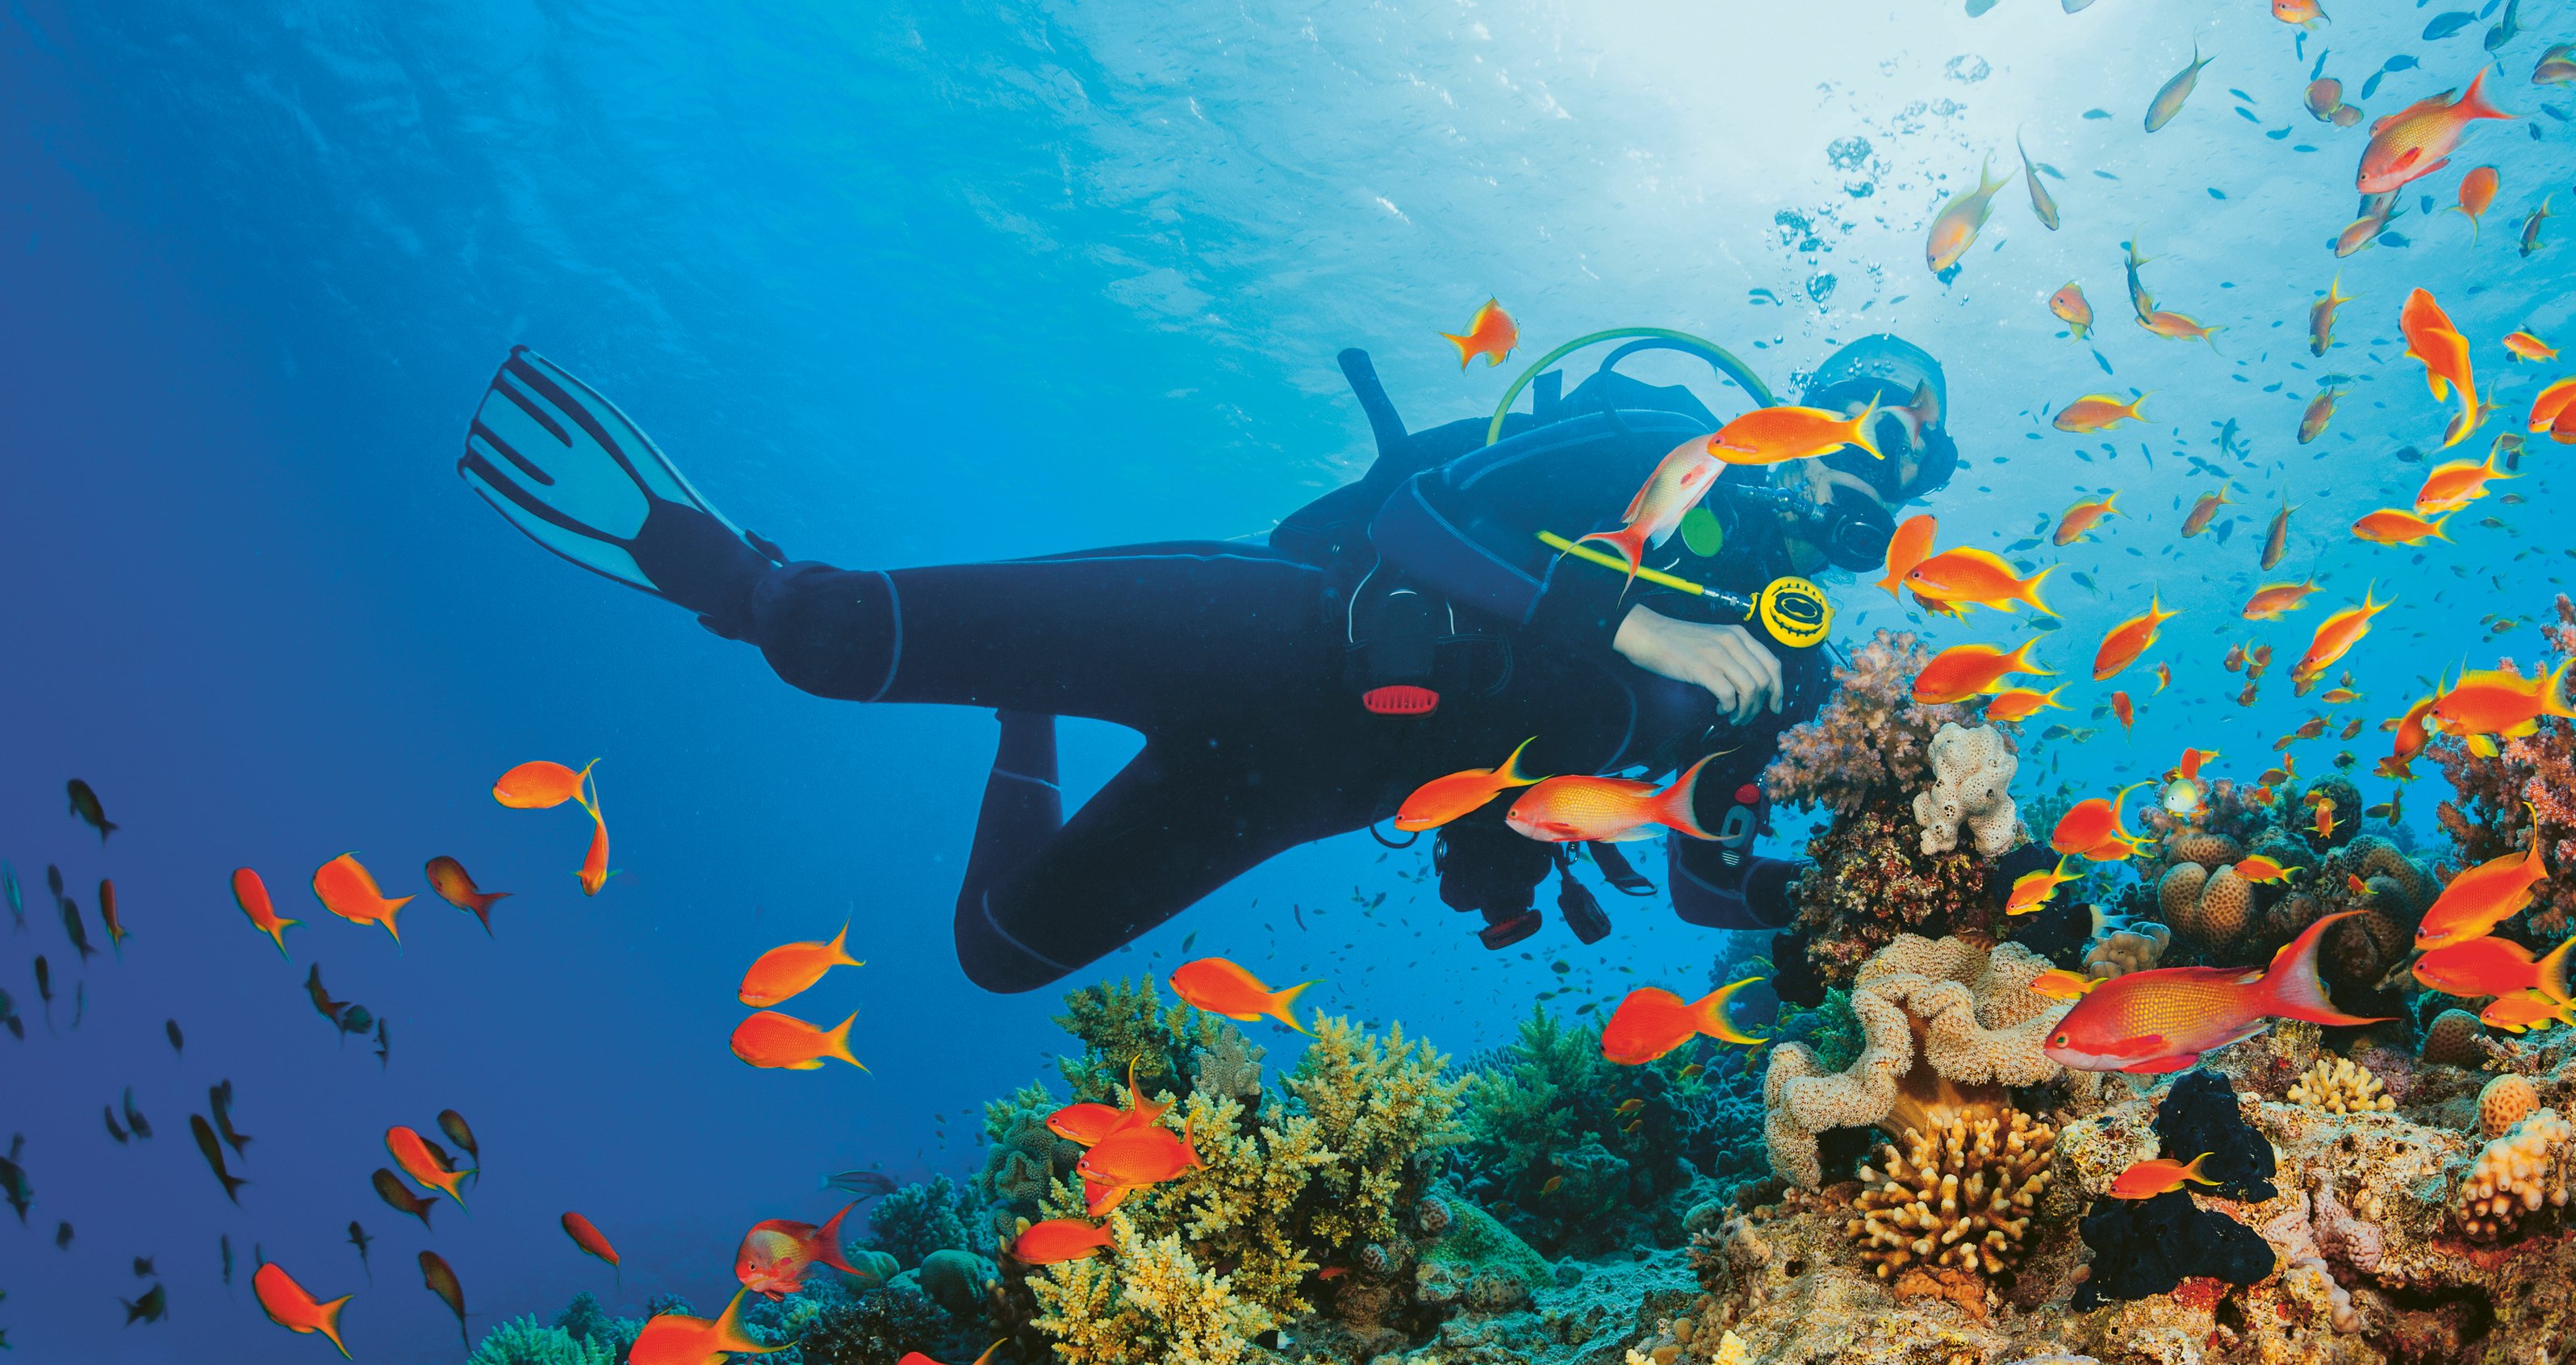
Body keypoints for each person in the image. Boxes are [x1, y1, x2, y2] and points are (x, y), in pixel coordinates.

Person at [458, 332, 1955, 991]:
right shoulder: (1669, 445)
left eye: (1914, 455)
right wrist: (1629, 618)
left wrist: (1838, 919)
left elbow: (1703, 882)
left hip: (1315, 789)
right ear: (1811, 408)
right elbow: (1415, 519)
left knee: (999, 954)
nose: (1881, 463)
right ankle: (711, 560)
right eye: (1870, 417)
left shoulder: (1797, 671)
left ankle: (1026, 719)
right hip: (1280, 625)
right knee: (822, 635)